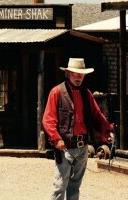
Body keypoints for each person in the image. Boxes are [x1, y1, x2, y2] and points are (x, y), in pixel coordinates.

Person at [42, 57, 114, 200]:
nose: (78, 77)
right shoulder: (56, 92)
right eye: (75, 73)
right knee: (59, 186)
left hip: (83, 147)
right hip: (65, 147)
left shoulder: (86, 94)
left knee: (75, 187)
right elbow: (48, 119)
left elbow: (97, 115)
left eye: (81, 74)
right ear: (68, 73)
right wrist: (56, 139)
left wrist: (107, 130)